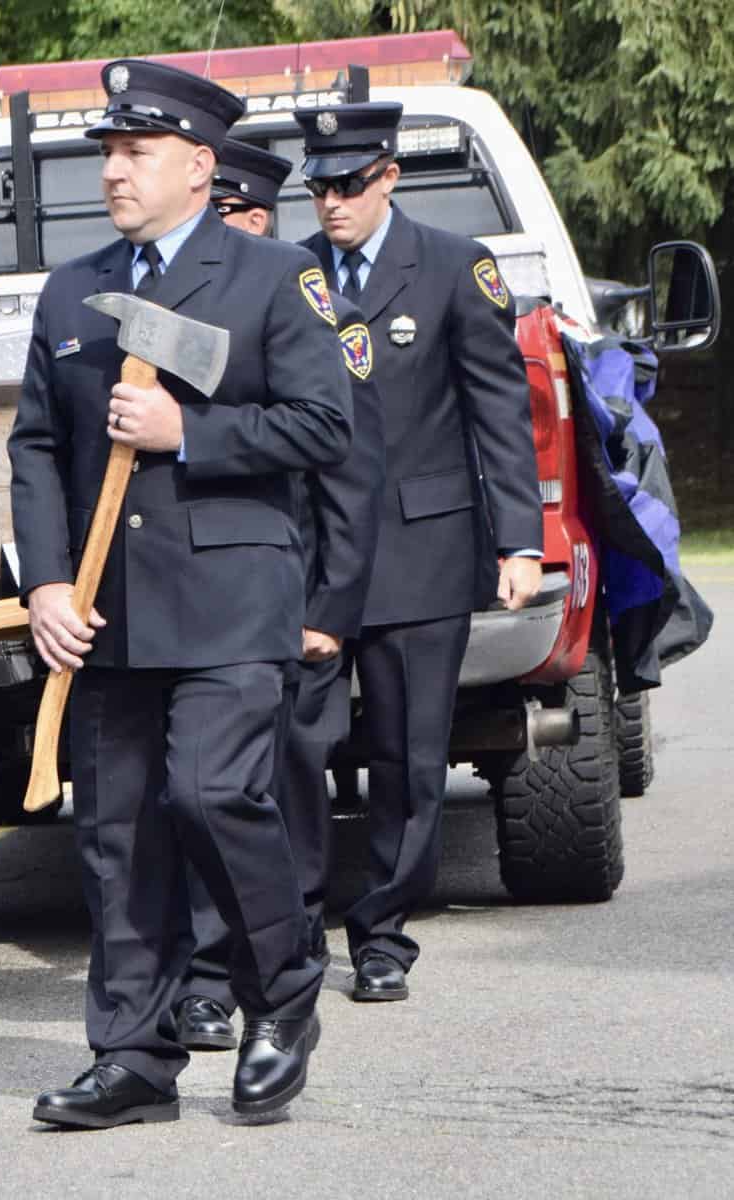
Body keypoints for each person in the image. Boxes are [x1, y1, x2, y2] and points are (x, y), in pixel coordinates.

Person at [8, 60, 353, 1127]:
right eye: (106, 153)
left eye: (135, 152)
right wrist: (48, 584)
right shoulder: (72, 288)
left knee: (209, 795)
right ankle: (133, 1057)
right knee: (115, 833)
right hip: (107, 613)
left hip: (225, 601)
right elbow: (32, 446)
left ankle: (282, 998)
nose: (113, 171)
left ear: (199, 167)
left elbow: (322, 425)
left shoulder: (270, 276)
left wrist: (187, 432)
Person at [293, 103, 542, 1002]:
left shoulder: (450, 266)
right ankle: (293, 929)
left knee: (406, 753)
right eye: (318, 186)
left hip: (419, 546)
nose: (331, 202)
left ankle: (384, 934)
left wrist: (521, 539)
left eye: (349, 184)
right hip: (314, 558)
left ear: (389, 176)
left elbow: (498, 412)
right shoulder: (291, 274)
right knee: (295, 745)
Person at [171, 139, 386, 1053]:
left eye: (230, 213)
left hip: (287, 595)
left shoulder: (290, 301)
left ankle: (284, 950)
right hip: (208, 595)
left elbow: (346, 474)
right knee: (215, 792)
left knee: (283, 786)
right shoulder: (183, 310)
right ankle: (213, 981)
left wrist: (327, 610)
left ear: (256, 218)